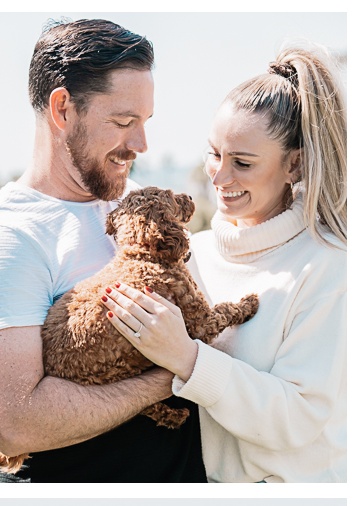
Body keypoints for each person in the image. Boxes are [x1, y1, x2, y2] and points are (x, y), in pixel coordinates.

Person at [0, 19, 207, 483]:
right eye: (123, 122)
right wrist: (174, 372)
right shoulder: (4, 238)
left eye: (145, 122)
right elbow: (14, 423)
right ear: (62, 109)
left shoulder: (140, 202)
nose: (140, 144)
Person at [99, 44, 346, 483]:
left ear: (295, 164)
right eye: (214, 153)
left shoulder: (329, 266)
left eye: (242, 163)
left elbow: (298, 415)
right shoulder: (194, 253)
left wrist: (187, 357)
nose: (218, 177)